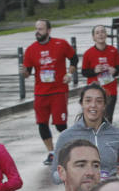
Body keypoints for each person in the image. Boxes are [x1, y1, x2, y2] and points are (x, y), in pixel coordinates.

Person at [23, 19, 78, 165]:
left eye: (41, 29)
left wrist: (69, 74)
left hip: (58, 90)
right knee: (42, 123)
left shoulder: (61, 44)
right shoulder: (31, 49)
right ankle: (52, 152)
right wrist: (24, 72)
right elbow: (27, 72)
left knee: (60, 124)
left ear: (49, 30)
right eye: (36, 29)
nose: (38, 32)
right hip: (40, 92)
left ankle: (67, 149)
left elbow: (74, 58)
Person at [53, 84, 119, 179]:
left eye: (99, 101)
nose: (93, 105)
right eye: (88, 101)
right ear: (82, 104)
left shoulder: (118, 135)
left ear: (104, 105)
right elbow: (55, 175)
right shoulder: (66, 137)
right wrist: (72, 174)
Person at [81, 25, 119, 122]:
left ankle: (105, 136)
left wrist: (114, 71)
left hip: (110, 91)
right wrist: (94, 71)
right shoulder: (88, 53)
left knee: (107, 119)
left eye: (103, 32)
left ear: (106, 35)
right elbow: (84, 72)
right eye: (97, 33)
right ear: (93, 37)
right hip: (94, 92)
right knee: (95, 119)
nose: (100, 35)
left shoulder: (113, 50)